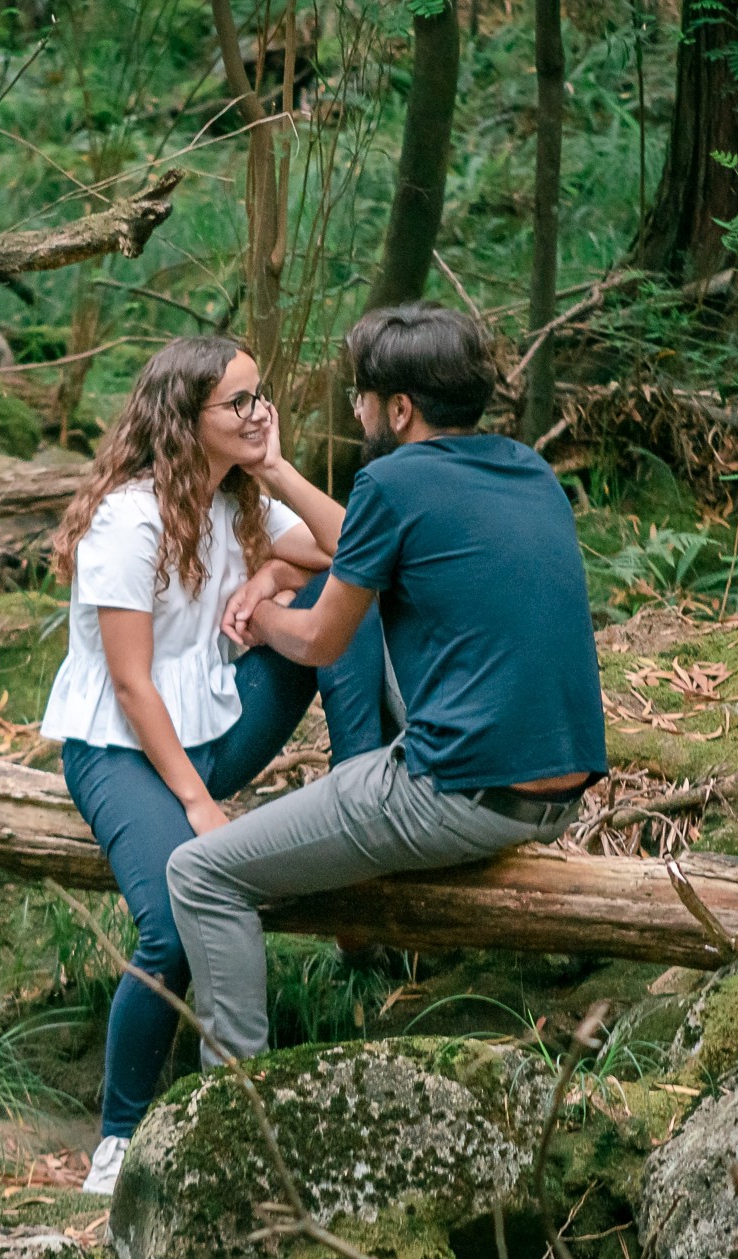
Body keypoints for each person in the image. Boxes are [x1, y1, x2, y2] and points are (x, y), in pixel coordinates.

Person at [166, 302, 609, 1070]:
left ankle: (229, 1103)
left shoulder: (392, 482)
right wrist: (274, 474)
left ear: (398, 408)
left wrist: (263, 613)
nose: (358, 408)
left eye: (362, 395)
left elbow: (319, 639)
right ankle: (359, 776)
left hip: (461, 795)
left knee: (201, 873)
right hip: (559, 792)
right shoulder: (527, 469)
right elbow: (362, 545)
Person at [39, 335, 387, 1196]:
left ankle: (362, 785)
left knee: (340, 603)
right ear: (183, 420)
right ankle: (118, 1138)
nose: (259, 412)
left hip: (220, 725)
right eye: (238, 403)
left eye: (260, 395)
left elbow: (356, 549)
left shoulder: (238, 496)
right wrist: (196, 804)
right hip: (123, 749)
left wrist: (270, 567)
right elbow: (128, 682)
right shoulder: (129, 519)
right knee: (171, 925)